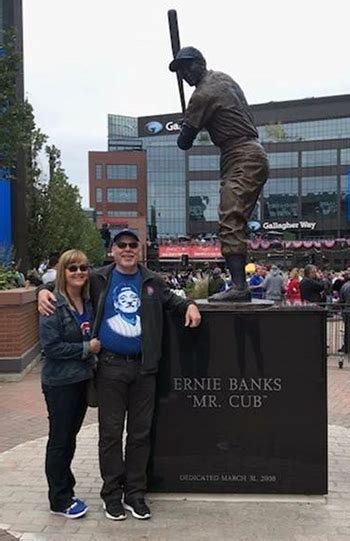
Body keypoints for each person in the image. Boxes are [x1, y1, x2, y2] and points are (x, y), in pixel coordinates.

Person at [38, 229, 201, 522]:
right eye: (121, 245)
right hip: (110, 368)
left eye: (132, 245)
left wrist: (190, 305)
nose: (127, 249)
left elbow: (174, 302)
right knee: (111, 435)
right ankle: (111, 494)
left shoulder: (152, 280)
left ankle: (135, 494)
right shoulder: (99, 278)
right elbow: (61, 281)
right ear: (112, 250)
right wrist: (42, 291)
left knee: (140, 434)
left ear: (139, 250)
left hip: (144, 369)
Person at [169, 47, 269, 302]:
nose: (184, 75)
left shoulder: (203, 94)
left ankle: (239, 287)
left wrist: (186, 124)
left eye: (187, 68)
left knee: (230, 220)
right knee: (233, 219)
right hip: (245, 154)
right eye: (180, 71)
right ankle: (238, 285)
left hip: (241, 155)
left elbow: (184, 142)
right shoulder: (223, 78)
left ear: (201, 64)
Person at [39, 249, 101, 518]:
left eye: (83, 268)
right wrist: (88, 348)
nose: (78, 273)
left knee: (69, 439)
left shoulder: (87, 301)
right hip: (60, 383)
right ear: (63, 271)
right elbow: (50, 347)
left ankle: (67, 489)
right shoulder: (53, 303)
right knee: (60, 440)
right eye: (72, 268)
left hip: (80, 380)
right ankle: (59, 499)